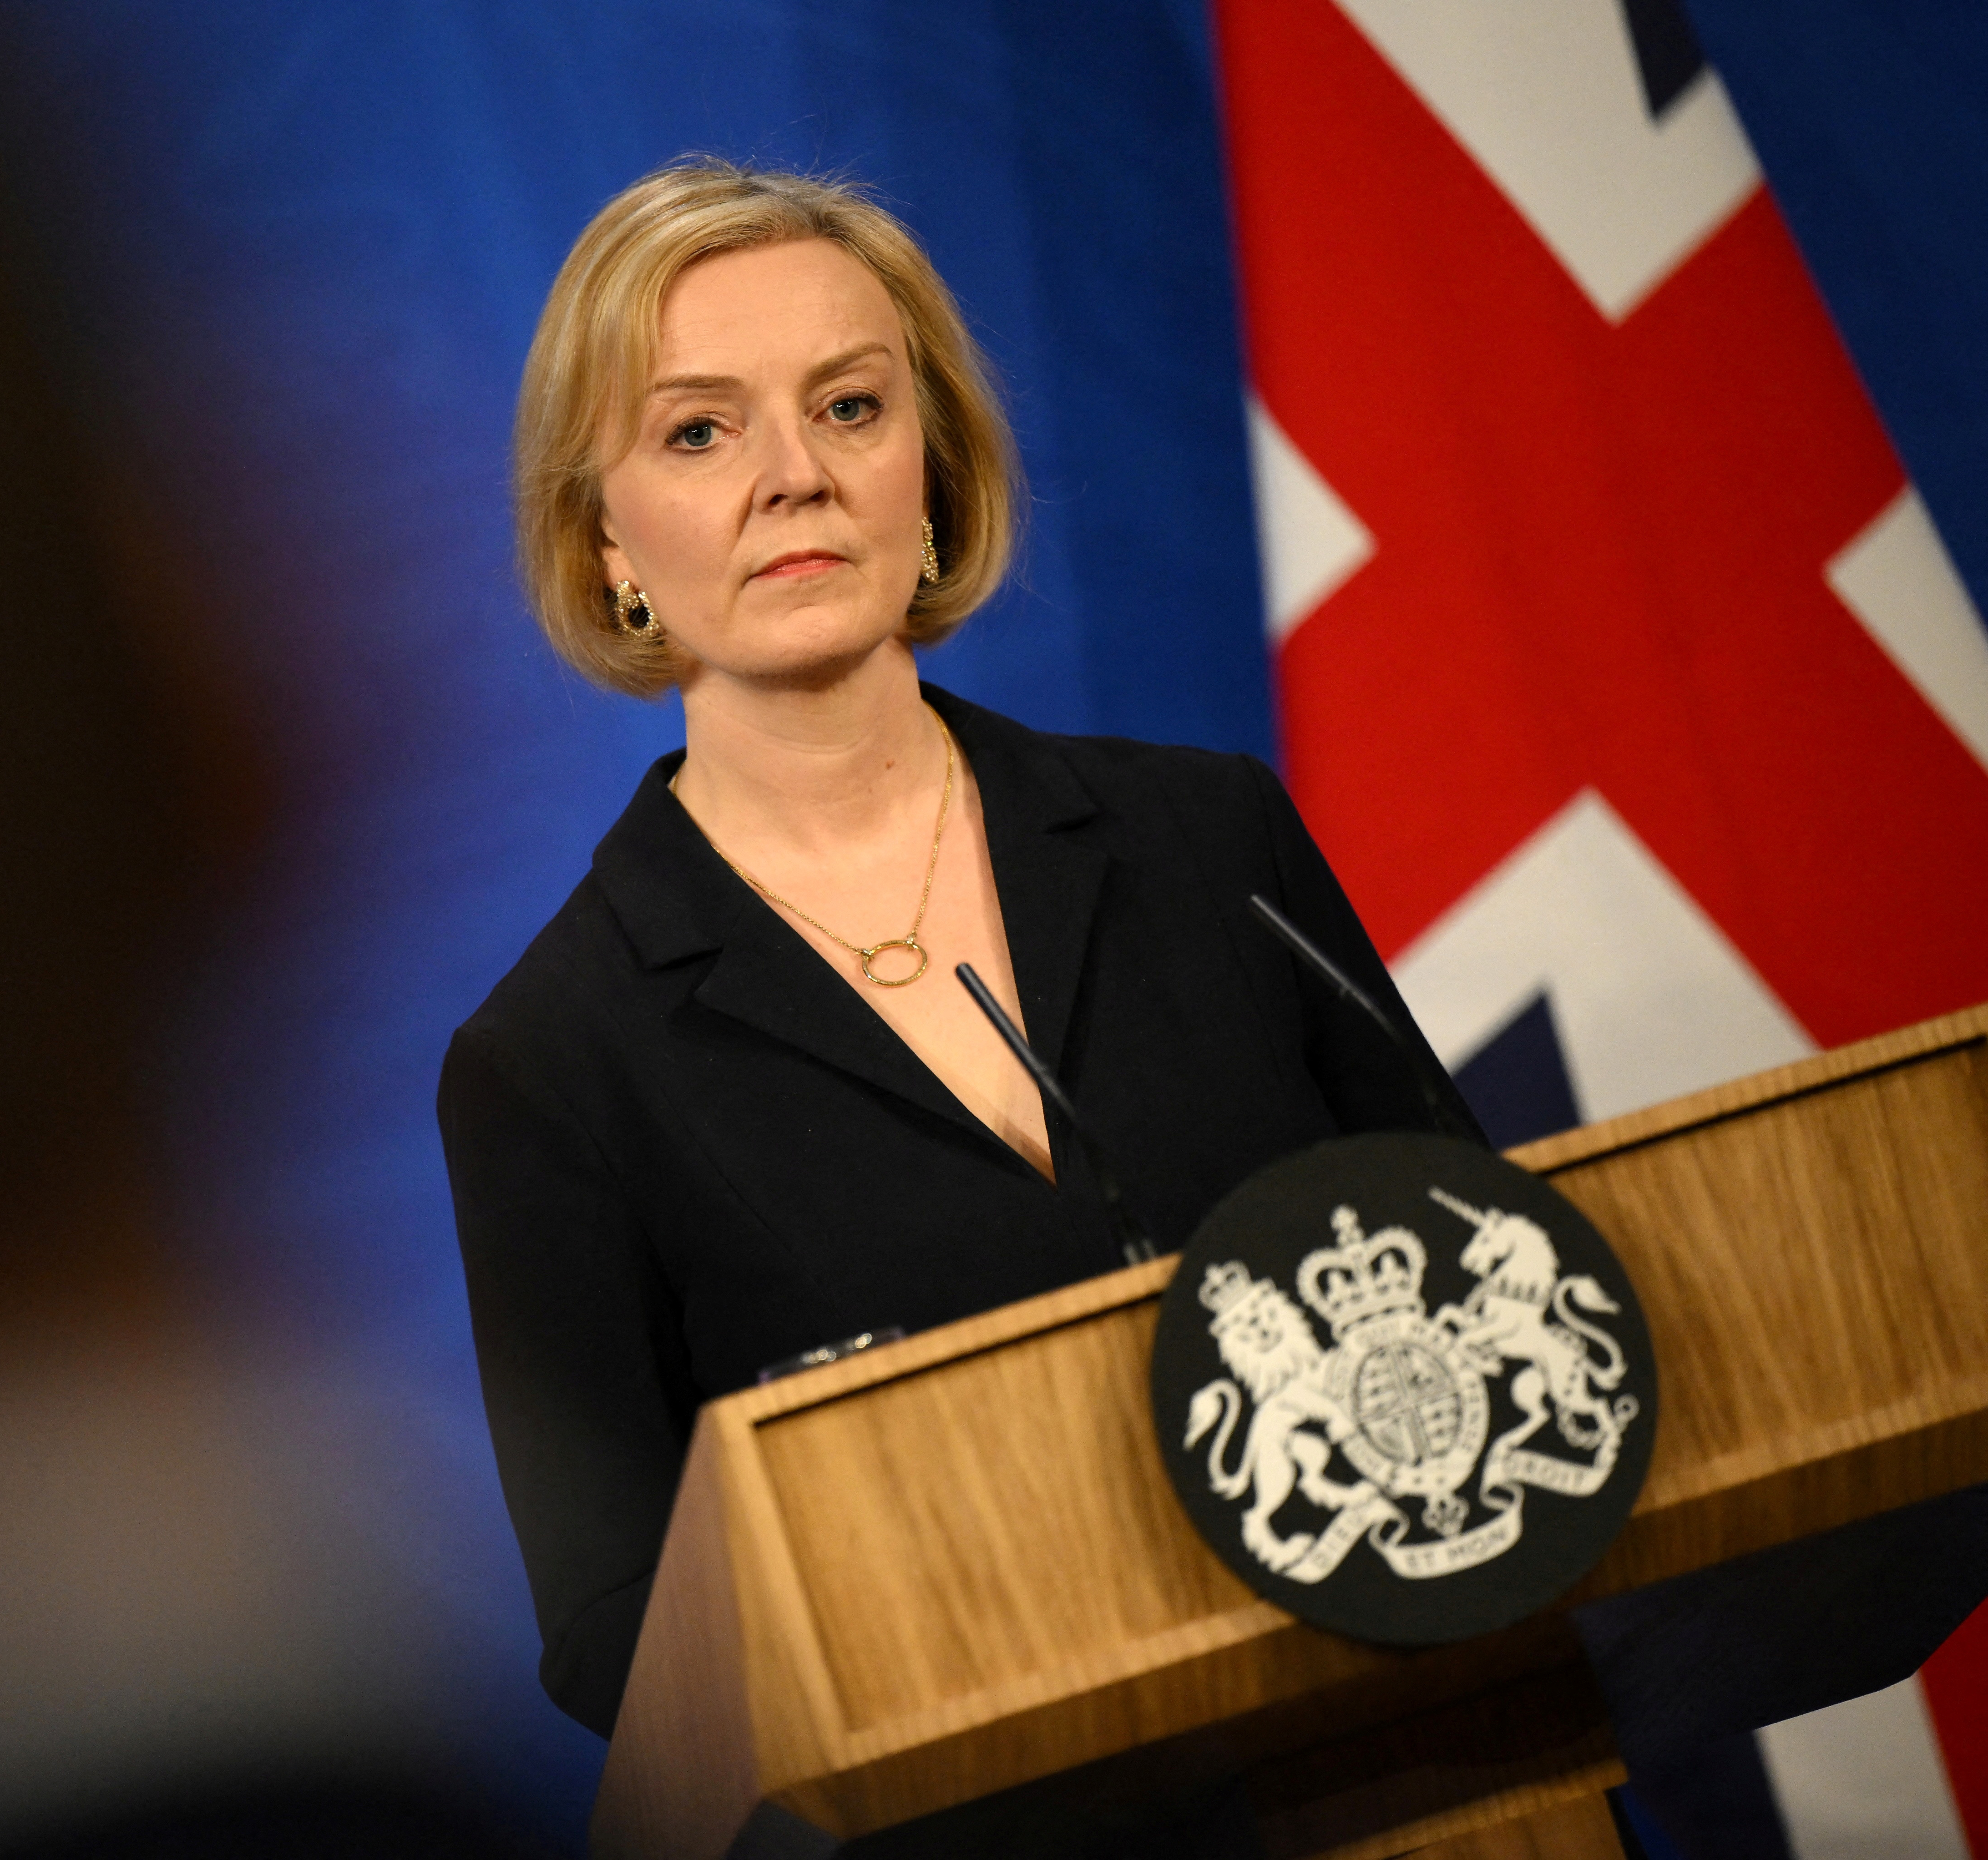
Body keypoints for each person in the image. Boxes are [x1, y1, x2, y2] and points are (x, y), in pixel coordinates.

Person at [437, 159, 1478, 1740]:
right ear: (604, 545)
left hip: (1427, 1754)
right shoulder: (551, 1062)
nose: (794, 474)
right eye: (699, 431)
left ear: (930, 470)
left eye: (849, 407)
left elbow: (1485, 1278)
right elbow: (613, 1631)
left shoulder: (1208, 843)